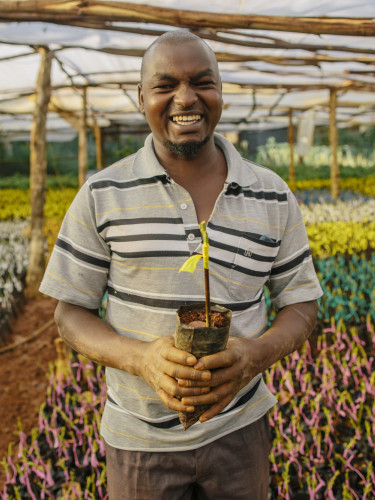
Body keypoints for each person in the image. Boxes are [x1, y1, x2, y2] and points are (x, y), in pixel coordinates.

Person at [40, 30, 323, 500]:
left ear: (220, 92)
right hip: (140, 440)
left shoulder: (272, 194)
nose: (185, 98)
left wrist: (255, 356)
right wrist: (141, 358)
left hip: (240, 430)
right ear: (141, 97)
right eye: (165, 85)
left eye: (202, 82)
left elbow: (301, 303)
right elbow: (69, 314)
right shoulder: (101, 195)